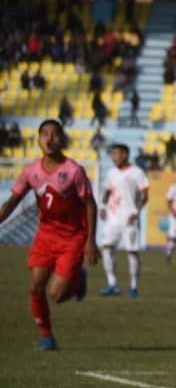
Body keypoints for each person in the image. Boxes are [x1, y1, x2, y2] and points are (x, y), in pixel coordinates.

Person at [0, 119, 96, 351]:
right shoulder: (31, 171)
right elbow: (13, 201)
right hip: (45, 236)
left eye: (55, 134)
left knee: (57, 295)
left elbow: (90, 204)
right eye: (45, 134)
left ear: (62, 139)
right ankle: (47, 338)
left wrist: (91, 241)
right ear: (38, 139)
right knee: (35, 288)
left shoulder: (74, 171)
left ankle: (78, 279)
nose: (50, 139)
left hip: (72, 237)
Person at [97, 143, 149, 297]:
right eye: (113, 155)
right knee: (106, 248)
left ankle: (134, 287)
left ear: (125, 155)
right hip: (113, 219)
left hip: (130, 220)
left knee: (132, 252)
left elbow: (145, 196)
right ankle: (112, 284)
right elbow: (107, 192)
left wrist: (136, 211)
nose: (114, 157)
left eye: (117, 154)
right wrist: (102, 207)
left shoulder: (137, 173)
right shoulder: (111, 173)